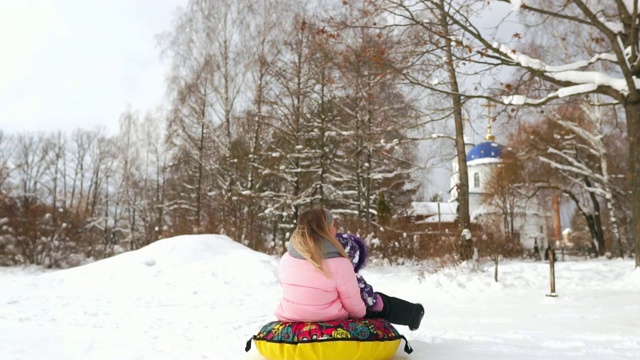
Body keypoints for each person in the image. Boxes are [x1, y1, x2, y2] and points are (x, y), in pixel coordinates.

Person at [274, 207, 366, 322]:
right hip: (330, 320)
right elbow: (354, 307)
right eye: (332, 225)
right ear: (324, 230)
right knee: (384, 304)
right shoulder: (340, 264)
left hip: (289, 317)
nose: (335, 229)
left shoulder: (286, 258)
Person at [336, 232, 424, 331]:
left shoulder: (319, 271)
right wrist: (376, 302)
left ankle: (413, 314)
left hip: (326, 315)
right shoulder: (350, 276)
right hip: (347, 316)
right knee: (382, 304)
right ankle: (413, 314)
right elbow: (369, 300)